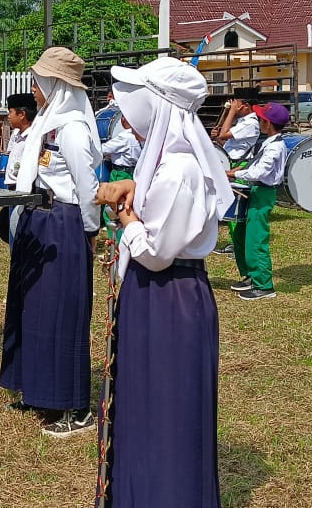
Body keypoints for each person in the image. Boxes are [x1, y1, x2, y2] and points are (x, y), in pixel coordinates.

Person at [94, 56, 232, 508]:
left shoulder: (180, 170)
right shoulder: (163, 166)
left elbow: (154, 254)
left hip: (171, 295)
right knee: (145, 404)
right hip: (156, 295)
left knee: (169, 410)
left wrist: (126, 217)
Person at [1, 47, 102, 437]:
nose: (33, 89)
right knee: (34, 310)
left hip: (63, 223)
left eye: (38, 81)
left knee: (62, 315)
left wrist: (89, 231)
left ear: (55, 84)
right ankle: (40, 389)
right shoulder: (46, 123)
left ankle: (73, 408)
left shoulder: (72, 128)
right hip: (38, 221)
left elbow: (86, 187)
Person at [225, 102, 290, 300]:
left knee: (256, 239)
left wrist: (234, 174)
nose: (259, 121)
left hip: (263, 193)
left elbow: (261, 171)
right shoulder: (269, 142)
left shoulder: (275, 146)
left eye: (261, 119)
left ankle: (264, 285)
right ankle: (252, 277)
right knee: (243, 236)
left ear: (267, 124)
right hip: (256, 190)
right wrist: (238, 171)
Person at [211, 87, 260, 255]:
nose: (233, 105)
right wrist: (217, 134)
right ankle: (235, 243)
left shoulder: (251, 123)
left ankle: (237, 244)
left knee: (237, 210)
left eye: (236, 103)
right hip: (232, 164)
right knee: (230, 209)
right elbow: (224, 140)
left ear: (245, 105)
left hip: (240, 167)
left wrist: (230, 113)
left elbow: (225, 134)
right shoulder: (241, 123)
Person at [0, 92, 37, 243]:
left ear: (22, 114)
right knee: (13, 232)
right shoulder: (16, 134)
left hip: (23, 190)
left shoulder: (33, 137)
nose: (8, 116)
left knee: (20, 235)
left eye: (10, 112)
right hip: (12, 189)